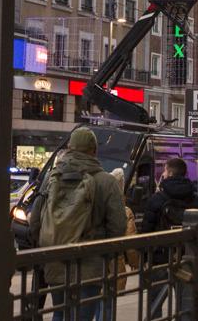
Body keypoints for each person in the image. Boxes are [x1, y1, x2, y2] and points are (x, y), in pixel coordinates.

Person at [30, 127, 127, 321]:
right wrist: (104, 254)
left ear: (69, 148)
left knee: (59, 313)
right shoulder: (106, 182)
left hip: (56, 261)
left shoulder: (51, 177)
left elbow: (35, 221)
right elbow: (118, 226)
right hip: (90, 263)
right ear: (94, 150)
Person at [139, 157, 198, 320]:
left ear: (168, 173)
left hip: (160, 258)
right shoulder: (197, 200)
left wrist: (146, 257)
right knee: (186, 304)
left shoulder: (157, 199)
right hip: (187, 259)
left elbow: (146, 232)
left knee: (155, 303)